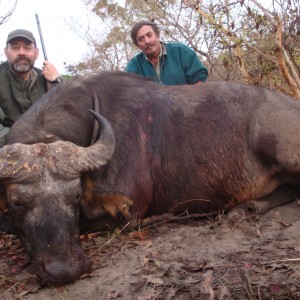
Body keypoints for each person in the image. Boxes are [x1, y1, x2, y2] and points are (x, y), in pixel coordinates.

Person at [0, 29, 63, 147]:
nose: (21, 52)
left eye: (27, 48)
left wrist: (57, 82)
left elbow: (65, 114)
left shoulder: (47, 77)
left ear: (36, 53)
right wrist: (27, 142)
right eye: (15, 47)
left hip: (48, 147)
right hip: (9, 150)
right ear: (6, 52)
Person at [125, 20, 208, 85]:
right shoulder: (134, 67)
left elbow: (200, 81)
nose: (147, 41)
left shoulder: (181, 51)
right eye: (141, 39)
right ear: (137, 44)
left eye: (149, 35)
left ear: (157, 35)